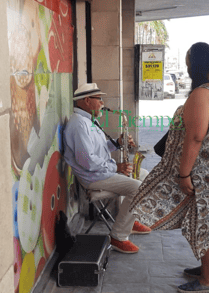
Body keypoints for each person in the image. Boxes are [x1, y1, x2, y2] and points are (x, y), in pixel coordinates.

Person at [131, 42, 209, 293]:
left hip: (204, 174)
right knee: (207, 221)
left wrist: (184, 173)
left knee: (207, 222)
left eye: (189, 65)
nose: (188, 70)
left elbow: (196, 137)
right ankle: (206, 268)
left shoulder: (203, 93)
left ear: (197, 65)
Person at [63, 83, 151, 254]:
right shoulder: (79, 125)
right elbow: (87, 161)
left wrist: (117, 144)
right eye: (99, 99)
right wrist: (117, 167)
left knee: (144, 175)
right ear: (87, 101)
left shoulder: (89, 121)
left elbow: (99, 149)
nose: (102, 103)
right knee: (137, 187)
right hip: (94, 178)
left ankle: (129, 221)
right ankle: (118, 236)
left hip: (101, 172)